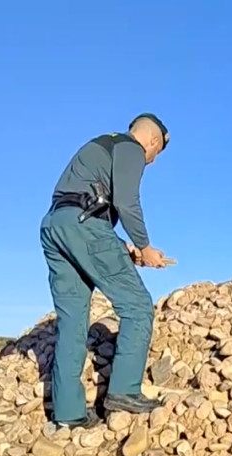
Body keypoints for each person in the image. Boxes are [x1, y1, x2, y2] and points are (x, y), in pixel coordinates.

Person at [39, 113, 170, 428]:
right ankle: (124, 391)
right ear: (152, 141)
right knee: (137, 306)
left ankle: (68, 415)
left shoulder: (101, 146)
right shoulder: (129, 148)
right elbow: (127, 202)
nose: (151, 162)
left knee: (72, 323)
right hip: (85, 227)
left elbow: (83, 206)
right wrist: (145, 247)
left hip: (56, 225)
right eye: (156, 155)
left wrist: (124, 247)